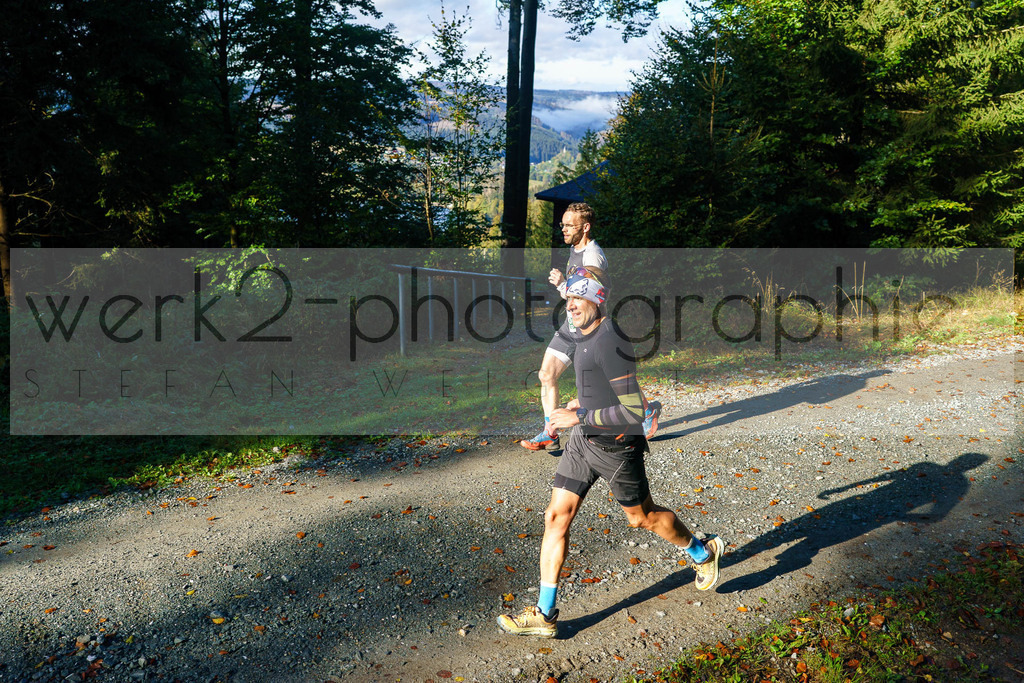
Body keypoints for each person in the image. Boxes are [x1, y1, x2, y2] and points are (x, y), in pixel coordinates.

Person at [498, 268, 725, 638]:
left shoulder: (609, 342)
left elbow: (635, 411)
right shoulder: (581, 335)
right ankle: (544, 612)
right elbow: (595, 388)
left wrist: (579, 414)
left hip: (617, 449)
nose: (570, 306)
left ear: (597, 301)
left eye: (577, 299)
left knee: (643, 518)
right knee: (556, 517)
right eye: (567, 299)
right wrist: (576, 407)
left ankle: (701, 551)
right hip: (582, 443)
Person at [519, 202, 661, 452]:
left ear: (585, 227)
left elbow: (596, 297)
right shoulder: (576, 249)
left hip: (589, 327)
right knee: (546, 374)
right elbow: (580, 292)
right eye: (561, 224)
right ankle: (550, 432)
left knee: (612, 376)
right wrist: (566, 288)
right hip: (570, 324)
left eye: (568, 225)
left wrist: (563, 286)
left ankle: (646, 410)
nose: (562, 229)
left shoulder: (592, 255)